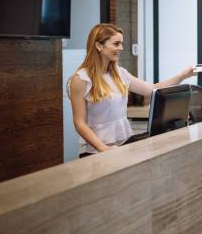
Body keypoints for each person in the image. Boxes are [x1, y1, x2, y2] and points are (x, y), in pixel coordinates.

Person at [68, 23, 194, 157]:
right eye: (116, 44)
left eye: (121, 44)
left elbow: (153, 89)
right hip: (95, 151)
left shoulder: (120, 73)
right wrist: (104, 149)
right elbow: (79, 123)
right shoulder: (80, 79)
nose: (121, 48)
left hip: (124, 144)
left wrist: (183, 75)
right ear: (99, 46)